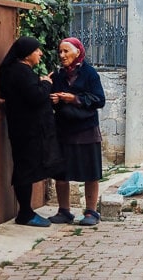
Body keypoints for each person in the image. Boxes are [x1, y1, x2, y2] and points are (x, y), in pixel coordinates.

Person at [0, 36, 64, 227]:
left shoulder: (14, 71)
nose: (40, 54)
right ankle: (25, 213)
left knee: (25, 167)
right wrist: (45, 83)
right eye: (37, 51)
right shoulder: (21, 72)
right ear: (27, 55)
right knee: (25, 169)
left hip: (23, 129)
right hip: (27, 131)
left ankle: (26, 211)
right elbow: (35, 97)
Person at [48, 38, 106, 226]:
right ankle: (64, 211)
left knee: (91, 171)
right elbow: (51, 96)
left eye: (66, 51)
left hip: (86, 129)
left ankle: (91, 212)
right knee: (61, 172)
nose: (62, 55)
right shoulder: (58, 75)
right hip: (63, 129)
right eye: (60, 52)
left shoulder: (89, 73)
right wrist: (55, 98)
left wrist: (74, 98)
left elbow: (99, 100)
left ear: (78, 52)